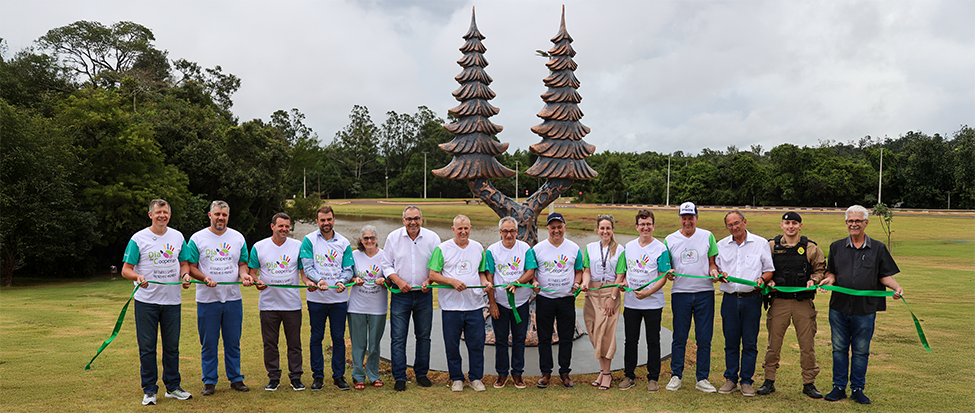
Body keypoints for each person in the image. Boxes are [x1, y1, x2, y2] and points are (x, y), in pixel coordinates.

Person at [819, 205, 904, 405]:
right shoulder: (836, 246)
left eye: (858, 221)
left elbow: (884, 276)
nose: (854, 224)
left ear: (866, 223)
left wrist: (897, 287)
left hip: (865, 309)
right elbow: (831, 272)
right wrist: (829, 280)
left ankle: (857, 388)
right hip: (839, 308)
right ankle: (838, 387)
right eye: (850, 221)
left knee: (861, 351)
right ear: (846, 223)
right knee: (839, 349)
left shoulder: (878, 248)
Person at [121, 199, 193, 406]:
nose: (162, 215)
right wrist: (137, 277)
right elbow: (126, 269)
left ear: (170, 215)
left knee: (172, 347)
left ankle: (173, 387)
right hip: (146, 302)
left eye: (166, 212)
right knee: (147, 348)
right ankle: (150, 390)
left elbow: (184, 263)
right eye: (158, 212)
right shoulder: (139, 238)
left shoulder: (178, 236)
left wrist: (186, 275)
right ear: (150, 214)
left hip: (172, 301)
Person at [184, 200, 255, 395]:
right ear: (210, 215)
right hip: (207, 300)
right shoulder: (197, 238)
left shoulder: (238, 237)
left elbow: (242, 264)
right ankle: (209, 381)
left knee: (233, 342)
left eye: (224, 215)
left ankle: (236, 379)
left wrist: (244, 275)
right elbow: (191, 266)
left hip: (232, 298)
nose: (220, 218)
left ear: (228, 216)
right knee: (209, 343)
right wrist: (205, 278)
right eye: (217, 214)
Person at [756, 211, 826, 399]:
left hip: (803, 302)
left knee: (807, 345)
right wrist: (768, 281)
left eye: (794, 223)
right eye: (787, 223)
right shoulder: (771, 246)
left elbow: (821, 269)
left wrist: (814, 279)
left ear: (800, 226)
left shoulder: (810, 248)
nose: (791, 226)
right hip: (779, 302)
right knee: (773, 344)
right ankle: (769, 381)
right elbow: (764, 267)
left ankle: (809, 383)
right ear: (782, 225)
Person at [427, 215, 491, 392]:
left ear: (470, 229)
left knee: (476, 344)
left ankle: (476, 378)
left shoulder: (478, 247)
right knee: (452, 345)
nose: (463, 231)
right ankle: (456, 378)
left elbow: (481, 273)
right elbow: (433, 275)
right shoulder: (442, 249)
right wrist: (452, 282)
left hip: (474, 305)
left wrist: (485, 282)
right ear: (453, 229)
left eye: (466, 228)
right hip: (451, 307)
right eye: (459, 228)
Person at [381, 205, 442, 391]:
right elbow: (386, 265)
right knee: (398, 337)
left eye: (416, 218)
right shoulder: (393, 237)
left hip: (424, 294)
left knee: (423, 337)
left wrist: (429, 280)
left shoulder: (433, 238)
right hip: (401, 295)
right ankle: (399, 376)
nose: (413, 222)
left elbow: (438, 263)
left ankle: (421, 374)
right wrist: (398, 281)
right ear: (403, 220)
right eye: (409, 219)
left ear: (421, 219)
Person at [714, 211, 774, 397]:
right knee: (731, 342)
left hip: (752, 300)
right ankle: (731, 379)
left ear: (744, 222)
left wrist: (762, 279)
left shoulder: (760, 243)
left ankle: (746, 381)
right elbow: (715, 268)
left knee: (749, 342)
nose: (734, 227)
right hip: (730, 299)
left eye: (737, 223)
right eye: (730, 225)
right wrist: (717, 274)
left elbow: (769, 270)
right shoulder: (721, 245)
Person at [664, 201, 720, 393]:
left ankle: (702, 378)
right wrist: (669, 273)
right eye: (684, 218)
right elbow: (666, 267)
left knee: (704, 338)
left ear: (697, 217)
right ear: (680, 218)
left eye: (691, 217)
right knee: (680, 336)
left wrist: (714, 271)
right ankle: (676, 376)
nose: (687, 221)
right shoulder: (669, 239)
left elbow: (713, 263)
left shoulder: (707, 236)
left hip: (704, 293)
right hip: (681, 293)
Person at [615, 209, 672, 392]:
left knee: (653, 340)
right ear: (637, 227)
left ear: (653, 226)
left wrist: (648, 293)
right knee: (630, 340)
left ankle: (653, 378)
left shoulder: (661, 248)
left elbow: (663, 276)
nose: (645, 227)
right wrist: (623, 283)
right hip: (631, 303)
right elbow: (623, 272)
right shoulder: (628, 247)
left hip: (653, 303)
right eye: (642, 224)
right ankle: (629, 375)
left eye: (648, 224)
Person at [299, 206, 354, 391]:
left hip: (338, 300)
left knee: (338, 338)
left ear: (334, 219)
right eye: (322, 220)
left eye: (329, 219)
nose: (326, 223)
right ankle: (318, 377)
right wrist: (319, 280)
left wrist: (342, 281)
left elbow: (348, 269)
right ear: (317, 221)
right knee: (316, 338)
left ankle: (339, 376)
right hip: (316, 299)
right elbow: (307, 268)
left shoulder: (344, 242)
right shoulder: (309, 240)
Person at [249, 212, 306, 392]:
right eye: (281, 226)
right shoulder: (259, 247)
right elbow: (252, 273)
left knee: (294, 344)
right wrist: (257, 282)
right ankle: (273, 378)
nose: (284, 229)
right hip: (268, 305)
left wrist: (310, 283)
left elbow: (304, 273)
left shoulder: (298, 246)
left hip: (292, 305)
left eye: (287, 226)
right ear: (272, 226)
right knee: (270, 344)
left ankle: (296, 378)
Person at [483, 217, 537, 389]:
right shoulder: (492, 250)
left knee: (519, 339)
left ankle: (517, 374)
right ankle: (502, 374)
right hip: (500, 303)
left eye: (512, 231)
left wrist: (517, 282)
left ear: (516, 232)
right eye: (505, 231)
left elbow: (530, 271)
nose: (509, 234)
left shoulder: (525, 248)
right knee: (500, 340)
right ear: (500, 232)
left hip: (520, 303)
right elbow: (489, 278)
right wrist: (492, 303)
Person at [532, 212, 584, 389]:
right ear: (547, 228)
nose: (556, 230)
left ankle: (564, 372)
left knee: (566, 338)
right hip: (545, 299)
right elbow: (532, 272)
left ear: (564, 227)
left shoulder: (574, 248)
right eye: (553, 227)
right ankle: (545, 373)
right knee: (544, 338)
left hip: (566, 300)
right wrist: (534, 282)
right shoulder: (538, 249)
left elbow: (579, 271)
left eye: (559, 227)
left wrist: (577, 282)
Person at [581, 215, 623, 390]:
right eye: (602, 228)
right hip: (591, 293)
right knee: (593, 332)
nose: (605, 231)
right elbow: (587, 270)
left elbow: (620, 276)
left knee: (605, 333)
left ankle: (607, 374)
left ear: (612, 230)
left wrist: (613, 298)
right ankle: (602, 370)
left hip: (609, 293)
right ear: (597, 230)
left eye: (608, 228)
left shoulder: (620, 250)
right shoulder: (590, 248)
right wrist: (584, 282)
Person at [347, 225, 388, 390]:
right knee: (358, 344)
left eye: (372, 238)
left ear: (377, 239)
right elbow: (347, 273)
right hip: (357, 306)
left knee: (374, 344)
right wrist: (354, 278)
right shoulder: (354, 255)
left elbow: (391, 277)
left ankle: (373, 374)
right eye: (366, 238)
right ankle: (358, 376)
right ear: (361, 240)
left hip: (378, 307)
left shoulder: (385, 255)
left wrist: (384, 280)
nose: (369, 241)